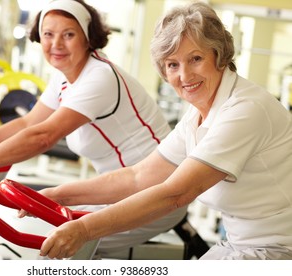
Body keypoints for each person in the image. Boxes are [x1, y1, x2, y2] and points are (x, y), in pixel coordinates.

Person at [37, 1, 292, 260]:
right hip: (241, 244)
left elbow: (176, 194)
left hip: (276, 252)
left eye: (196, 59)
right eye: (172, 65)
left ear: (219, 55)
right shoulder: (198, 113)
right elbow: (139, 176)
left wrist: (84, 229)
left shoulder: (245, 109)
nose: (185, 75)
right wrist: (57, 195)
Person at [0, 0, 188, 256]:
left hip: (155, 195)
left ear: (87, 38)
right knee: (42, 235)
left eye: (68, 34)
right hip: (114, 190)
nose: (56, 44)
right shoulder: (65, 76)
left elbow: (43, 136)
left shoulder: (100, 76)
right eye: (48, 34)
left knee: (56, 246)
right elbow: (28, 123)